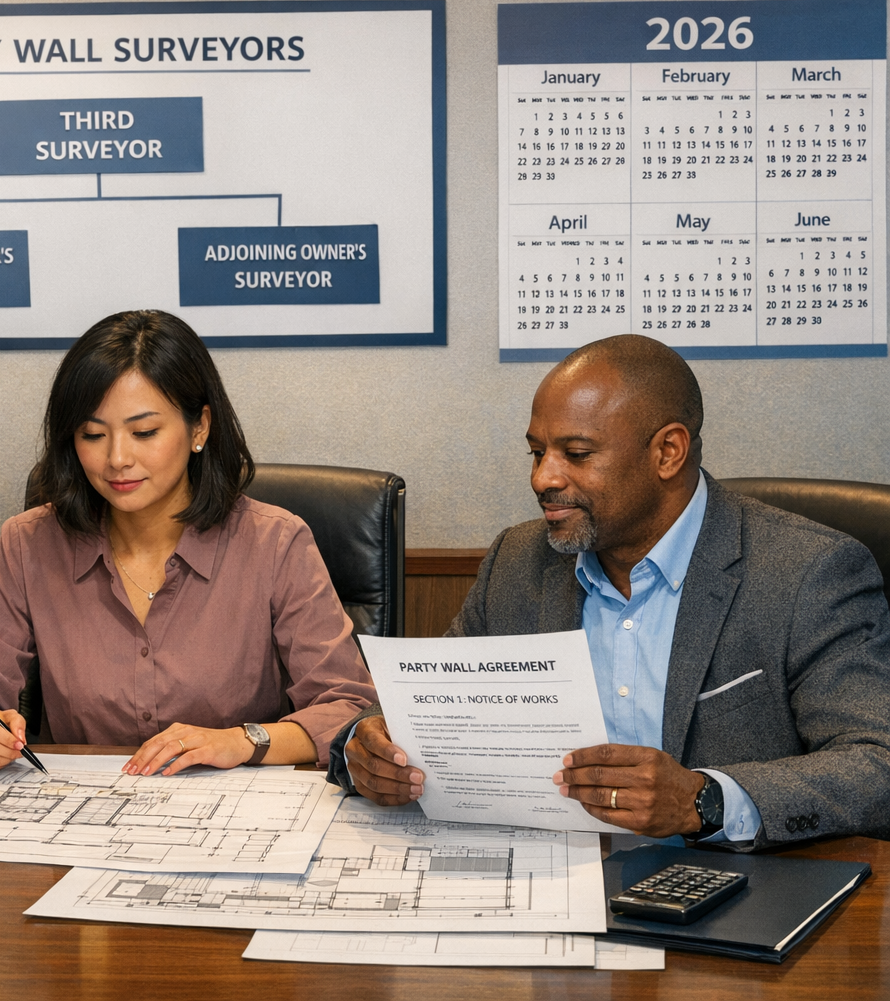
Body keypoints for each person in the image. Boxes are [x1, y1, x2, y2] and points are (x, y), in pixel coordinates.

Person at [331, 334, 890, 848]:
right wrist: (365, 746)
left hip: (734, 885)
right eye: (536, 452)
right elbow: (424, 708)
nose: (543, 479)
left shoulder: (807, 571)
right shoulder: (517, 561)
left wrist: (703, 800)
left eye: (576, 454)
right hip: (546, 872)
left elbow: (876, 762)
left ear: (667, 452)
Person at [0, 310, 377, 775]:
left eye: (144, 432)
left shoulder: (275, 543)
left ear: (199, 427)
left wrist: (240, 741)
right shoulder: (29, 545)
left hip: (232, 808)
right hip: (82, 808)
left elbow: (349, 708)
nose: (117, 458)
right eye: (93, 434)